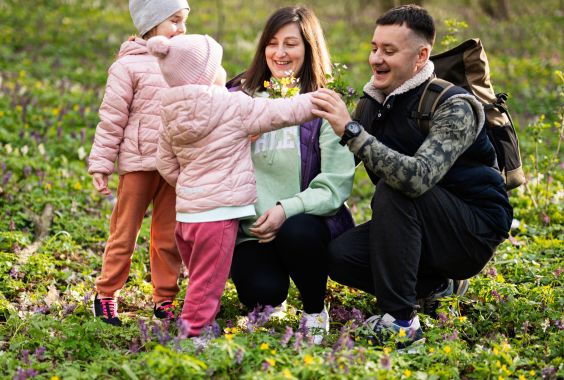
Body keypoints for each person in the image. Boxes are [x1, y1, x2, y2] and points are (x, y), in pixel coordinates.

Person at [311, 4, 513, 346]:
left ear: (421, 56)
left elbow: (417, 178)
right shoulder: (374, 102)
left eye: (389, 51)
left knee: (395, 190)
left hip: (472, 230)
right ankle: (436, 285)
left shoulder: (453, 105)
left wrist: (352, 130)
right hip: (421, 225)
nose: (376, 59)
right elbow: (336, 167)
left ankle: (401, 323)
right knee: (340, 256)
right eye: (374, 48)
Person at [148, 33, 320, 338]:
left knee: (199, 274)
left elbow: (164, 163)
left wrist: (191, 185)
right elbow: (282, 112)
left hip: (187, 217)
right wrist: (317, 100)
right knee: (208, 281)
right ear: (207, 74)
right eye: (218, 64)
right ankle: (194, 334)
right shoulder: (233, 106)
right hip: (218, 215)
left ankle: (200, 319)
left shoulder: (169, 111)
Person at [227, 6, 355, 344]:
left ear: (309, 49)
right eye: (272, 43)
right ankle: (274, 297)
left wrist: (286, 208)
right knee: (261, 290)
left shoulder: (324, 105)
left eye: (291, 44)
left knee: (297, 232)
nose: (279, 53)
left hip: (303, 223)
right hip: (250, 230)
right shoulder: (238, 97)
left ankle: (314, 309)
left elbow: (334, 185)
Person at [87, 0, 190, 326]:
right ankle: (106, 294)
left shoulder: (184, 63)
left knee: (168, 236)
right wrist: (101, 163)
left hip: (173, 166)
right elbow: (111, 119)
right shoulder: (127, 66)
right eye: (175, 21)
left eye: (184, 21)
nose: (182, 29)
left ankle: (165, 300)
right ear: (152, 23)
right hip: (137, 164)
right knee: (124, 230)